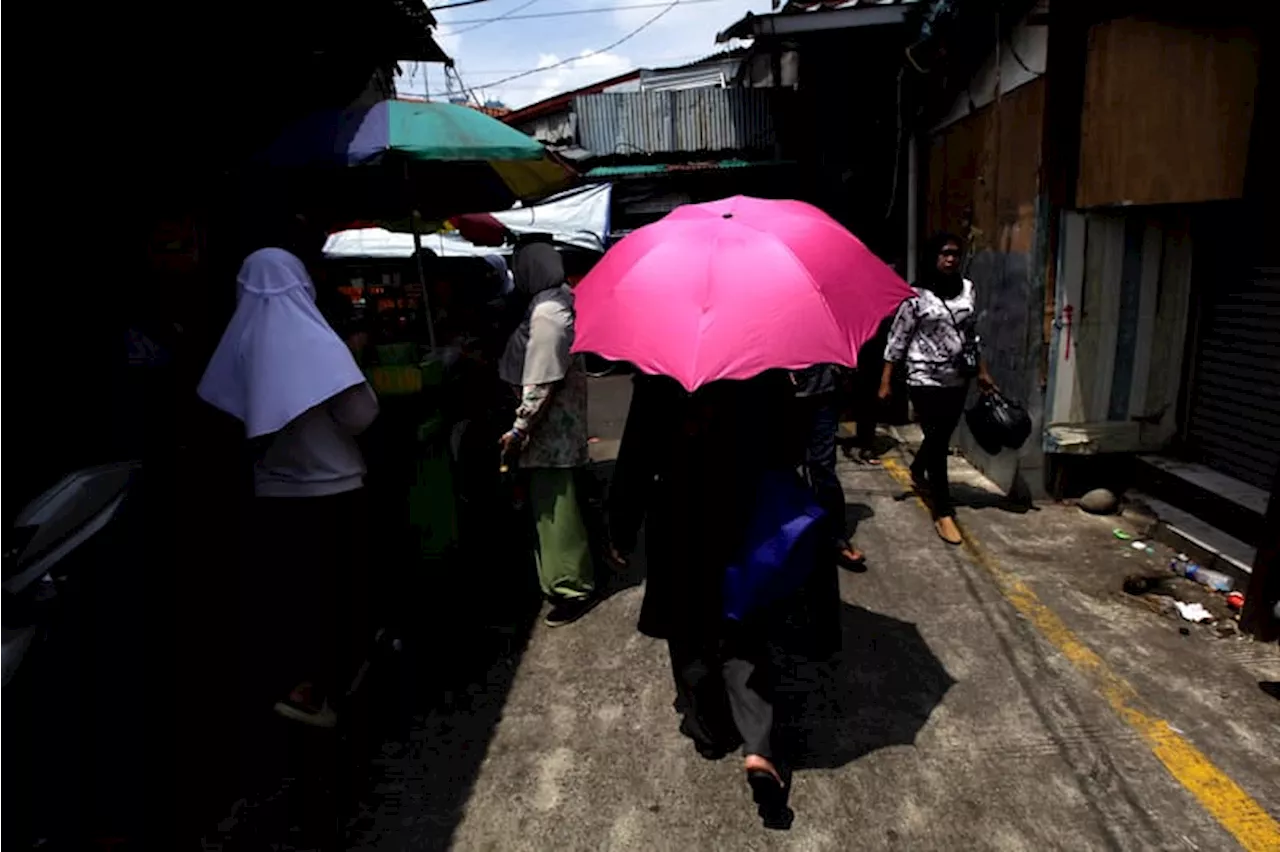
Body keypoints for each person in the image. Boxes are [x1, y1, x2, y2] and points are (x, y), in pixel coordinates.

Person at [609, 371, 825, 814]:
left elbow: (636, 454)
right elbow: (790, 447)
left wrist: (621, 527)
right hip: (743, 510)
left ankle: (708, 729)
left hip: (678, 515)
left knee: (686, 624)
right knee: (742, 624)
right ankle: (758, 748)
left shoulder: (658, 375)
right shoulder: (763, 369)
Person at [198, 215, 379, 728]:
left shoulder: (234, 345)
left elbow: (226, 416)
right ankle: (332, 686)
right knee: (337, 591)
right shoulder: (319, 341)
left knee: (291, 595)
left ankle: (298, 685)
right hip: (333, 486)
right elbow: (361, 416)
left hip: (271, 492)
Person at [498, 242, 594, 627]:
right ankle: (568, 579)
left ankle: (572, 589)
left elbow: (542, 377)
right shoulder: (556, 300)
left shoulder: (548, 314)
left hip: (550, 432)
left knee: (557, 514)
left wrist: (520, 427)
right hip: (558, 428)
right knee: (556, 508)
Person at [880, 233, 995, 545]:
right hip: (923, 378)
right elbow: (898, 338)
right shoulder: (915, 295)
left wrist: (982, 372)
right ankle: (943, 512)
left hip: (957, 377)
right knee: (937, 439)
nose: (950, 259)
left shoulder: (968, 289)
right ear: (933, 256)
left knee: (941, 434)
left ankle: (919, 467)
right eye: (944, 253)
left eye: (955, 254)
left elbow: (972, 334)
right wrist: (886, 380)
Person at [791, 364, 864, 565]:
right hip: (782, 395)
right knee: (783, 468)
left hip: (822, 394)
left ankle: (835, 536)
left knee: (822, 466)